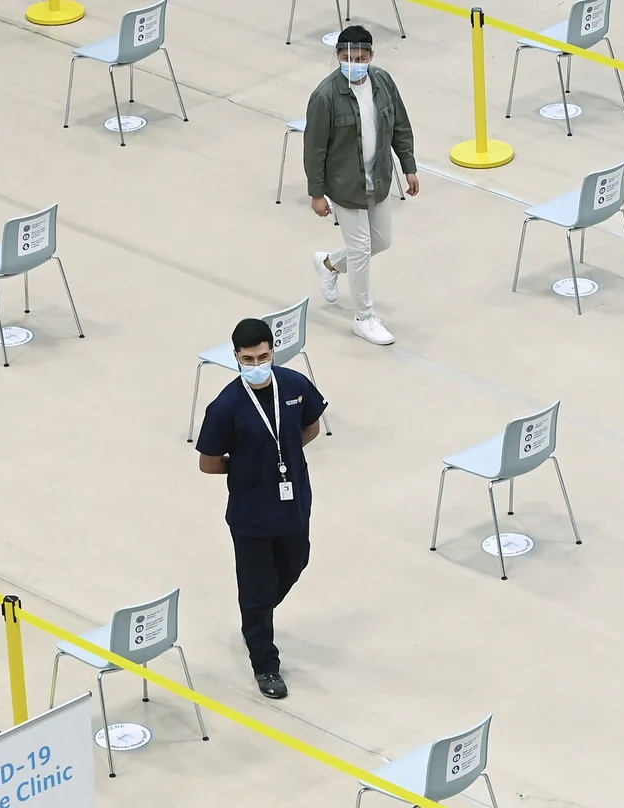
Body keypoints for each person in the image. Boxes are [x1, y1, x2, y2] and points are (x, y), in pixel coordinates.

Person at [195, 318, 327, 699]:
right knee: (255, 590)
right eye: (249, 359)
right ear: (236, 357)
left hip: (292, 500)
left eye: (264, 356)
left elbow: (312, 426)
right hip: (251, 513)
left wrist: (280, 458)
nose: (258, 365)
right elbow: (208, 461)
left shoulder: (294, 385)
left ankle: (256, 618)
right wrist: (249, 467)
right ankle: (265, 663)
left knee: (296, 562)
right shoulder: (226, 406)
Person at [304, 24, 417, 348]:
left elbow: (400, 125)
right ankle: (363, 318)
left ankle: (328, 264)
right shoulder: (325, 96)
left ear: (371, 56)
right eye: (346, 56)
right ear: (338, 57)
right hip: (345, 186)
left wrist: (408, 167)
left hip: (378, 178)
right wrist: (317, 193)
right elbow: (314, 149)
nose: (354, 61)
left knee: (381, 241)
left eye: (361, 56)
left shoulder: (383, 82)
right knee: (361, 251)